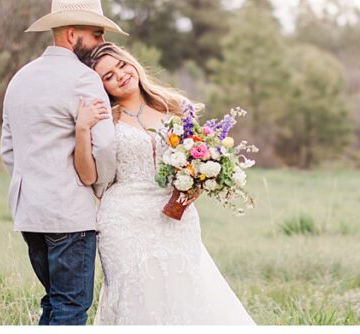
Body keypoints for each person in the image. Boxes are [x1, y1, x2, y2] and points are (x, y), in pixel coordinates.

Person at [75, 42, 256, 325]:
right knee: (134, 295)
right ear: (102, 87)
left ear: (132, 62)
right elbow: (88, 176)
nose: (120, 75)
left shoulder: (174, 108)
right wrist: (82, 128)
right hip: (123, 221)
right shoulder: (105, 120)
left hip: (174, 217)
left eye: (122, 65)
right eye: (108, 76)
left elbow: (196, 156)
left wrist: (199, 179)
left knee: (183, 290)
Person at [0, 0, 126, 324]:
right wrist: (99, 188)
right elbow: (104, 146)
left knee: (54, 302)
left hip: (29, 213)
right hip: (70, 214)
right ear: (72, 35)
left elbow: (8, 150)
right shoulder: (85, 79)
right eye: (96, 34)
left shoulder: (20, 78)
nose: (101, 42)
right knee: (71, 307)